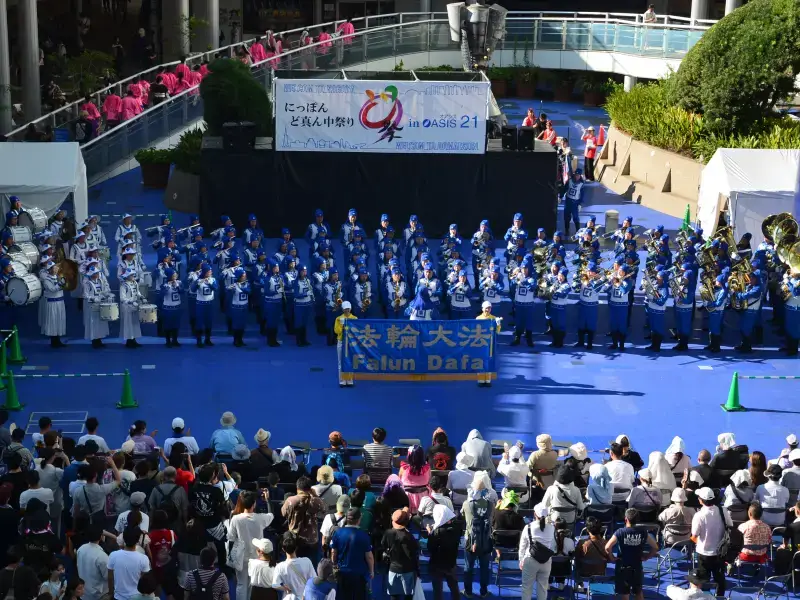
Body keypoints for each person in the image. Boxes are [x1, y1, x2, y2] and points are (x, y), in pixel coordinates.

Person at [227, 490, 274, 600]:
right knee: (252, 585)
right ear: (254, 504)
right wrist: (267, 500)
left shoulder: (235, 519)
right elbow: (271, 514)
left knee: (241, 584)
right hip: (257, 557)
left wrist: (230, 557)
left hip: (240, 557)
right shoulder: (260, 518)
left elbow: (231, 539)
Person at [605, 508, 659, 600]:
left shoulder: (620, 532)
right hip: (637, 566)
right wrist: (647, 557)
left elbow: (607, 547)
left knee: (625, 594)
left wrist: (612, 557)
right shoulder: (643, 532)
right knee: (638, 592)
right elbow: (655, 547)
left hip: (623, 566)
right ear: (637, 520)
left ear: (626, 519)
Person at [691, 487, 732, 596]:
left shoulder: (699, 516)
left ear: (700, 500)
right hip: (720, 552)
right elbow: (730, 525)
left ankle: (704, 597)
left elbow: (694, 535)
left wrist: (691, 542)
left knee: (703, 580)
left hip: (704, 552)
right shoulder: (723, 510)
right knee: (720, 578)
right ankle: (719, 597)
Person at [330, 508, 374, 600]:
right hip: (359, 574)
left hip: (342, 572)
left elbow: (333, 552)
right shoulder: (364, 535)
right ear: (359, 519)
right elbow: (369, 557)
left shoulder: (338, 533)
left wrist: (334, 565)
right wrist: (371, 571)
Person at [463, 471, 493, 598]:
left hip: (470, 539)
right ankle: (484, 591)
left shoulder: (467, 504)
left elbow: (465, 519)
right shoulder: (491, 504)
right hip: (486, 538)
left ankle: (468, 591)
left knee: (468, 567)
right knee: (484, 567)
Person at [281, 476, 326, 562]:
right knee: (312, 564)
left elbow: (283, 513)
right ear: (310, 489)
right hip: (312, 539)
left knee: (297, 563)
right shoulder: (315, 501)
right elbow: (324, 508)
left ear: (297, 488)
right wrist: (315, 495)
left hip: (296, 539)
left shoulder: (290, 500)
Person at [519, 503, 555, 600]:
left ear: (535, 514)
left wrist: (521, 559)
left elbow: (522, 546)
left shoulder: (528, 527)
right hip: (546, 561)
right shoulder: (552, 528)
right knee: (543, 589)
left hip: (530, 560)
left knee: (526, 589)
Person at [381, 509, 419, 600]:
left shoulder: (388, 533)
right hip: (408, 570)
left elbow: (383, 545)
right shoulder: (410, 536)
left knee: (393, 595)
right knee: (408, 595)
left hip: (393, 568)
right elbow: (415, 552)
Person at [427, 505, 463, 600]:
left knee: (437, 590)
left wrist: (430, 534)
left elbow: (430, 548)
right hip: (451, 563)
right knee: (454, 587)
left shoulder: (436, 533)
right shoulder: (456, 528)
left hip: (436, 564)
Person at [108, 527, 151, 600]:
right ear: (137, 540)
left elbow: (110, 578)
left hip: (118, 597)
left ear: (123, 538)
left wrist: (111, 593)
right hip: (137, 597)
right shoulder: (143, 559)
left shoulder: (113, 555)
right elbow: (145, 582)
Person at [273, 533, 315, 600]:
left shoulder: (279, 566)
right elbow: (313, 581)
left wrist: (285, 588)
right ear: (296, 547)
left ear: (283, 549)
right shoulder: (307, 561)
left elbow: (275, 585)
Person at [398, 445, 430, 514]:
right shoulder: (427, 469)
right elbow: (429, 481)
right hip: (423, 501)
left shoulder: (403, 469)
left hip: (406, 501)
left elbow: (399, 482)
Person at [334, 301, 358, 387]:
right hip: (341, 342)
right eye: (345, 309)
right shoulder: (338, 319)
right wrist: (341, 326)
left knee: (350, 361)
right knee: (341, 361)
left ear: (350, 309)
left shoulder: (355, 318)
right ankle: (342, 380)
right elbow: (336, 331)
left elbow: (357, 331)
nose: (347, 311)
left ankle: (349, 380)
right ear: (343, 309)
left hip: (351, 343)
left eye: (348, 309)